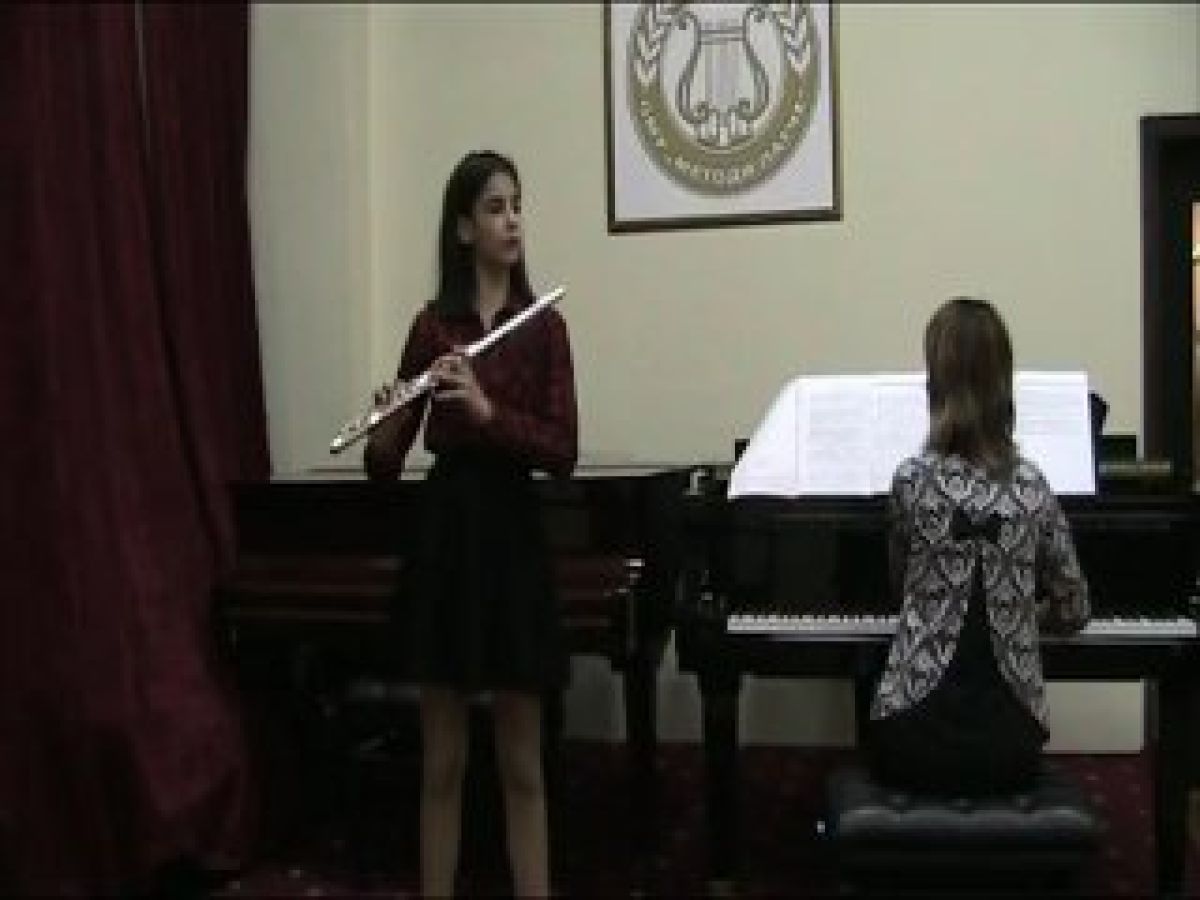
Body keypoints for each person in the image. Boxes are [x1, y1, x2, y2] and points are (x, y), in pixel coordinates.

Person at [364, 150, 577, 897]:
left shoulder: (544, 328)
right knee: (443, 763)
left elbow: (562, 450)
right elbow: (385, 467)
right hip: (447, 537)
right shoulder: (432, 329)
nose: (512, 220)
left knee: (522, 764)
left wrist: (488, 413)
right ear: (463, 228)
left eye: (517, 205)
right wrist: (385, 421)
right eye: (495, 207)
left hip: (512, 536)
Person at [866, 296, 1090, 795]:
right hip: (1009, 746)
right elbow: (1074, 608)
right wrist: (1019, 614)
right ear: (1003, 384)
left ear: (935, 384)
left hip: (915, 737)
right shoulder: (1032, 485)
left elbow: (902, 591)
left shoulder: (910, 481)